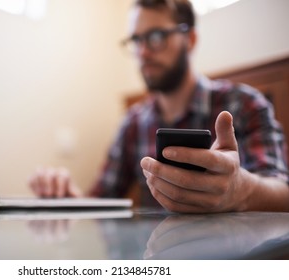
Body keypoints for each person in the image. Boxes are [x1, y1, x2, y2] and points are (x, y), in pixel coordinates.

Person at [28, 0, 289, 213]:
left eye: (155, 36)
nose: (142, 53)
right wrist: (65, 197)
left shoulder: (245, 104)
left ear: (191, 39)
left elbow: (283, 193)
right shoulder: (133, 122)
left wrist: (241, 191)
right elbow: (102, 198)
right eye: (136, 40)